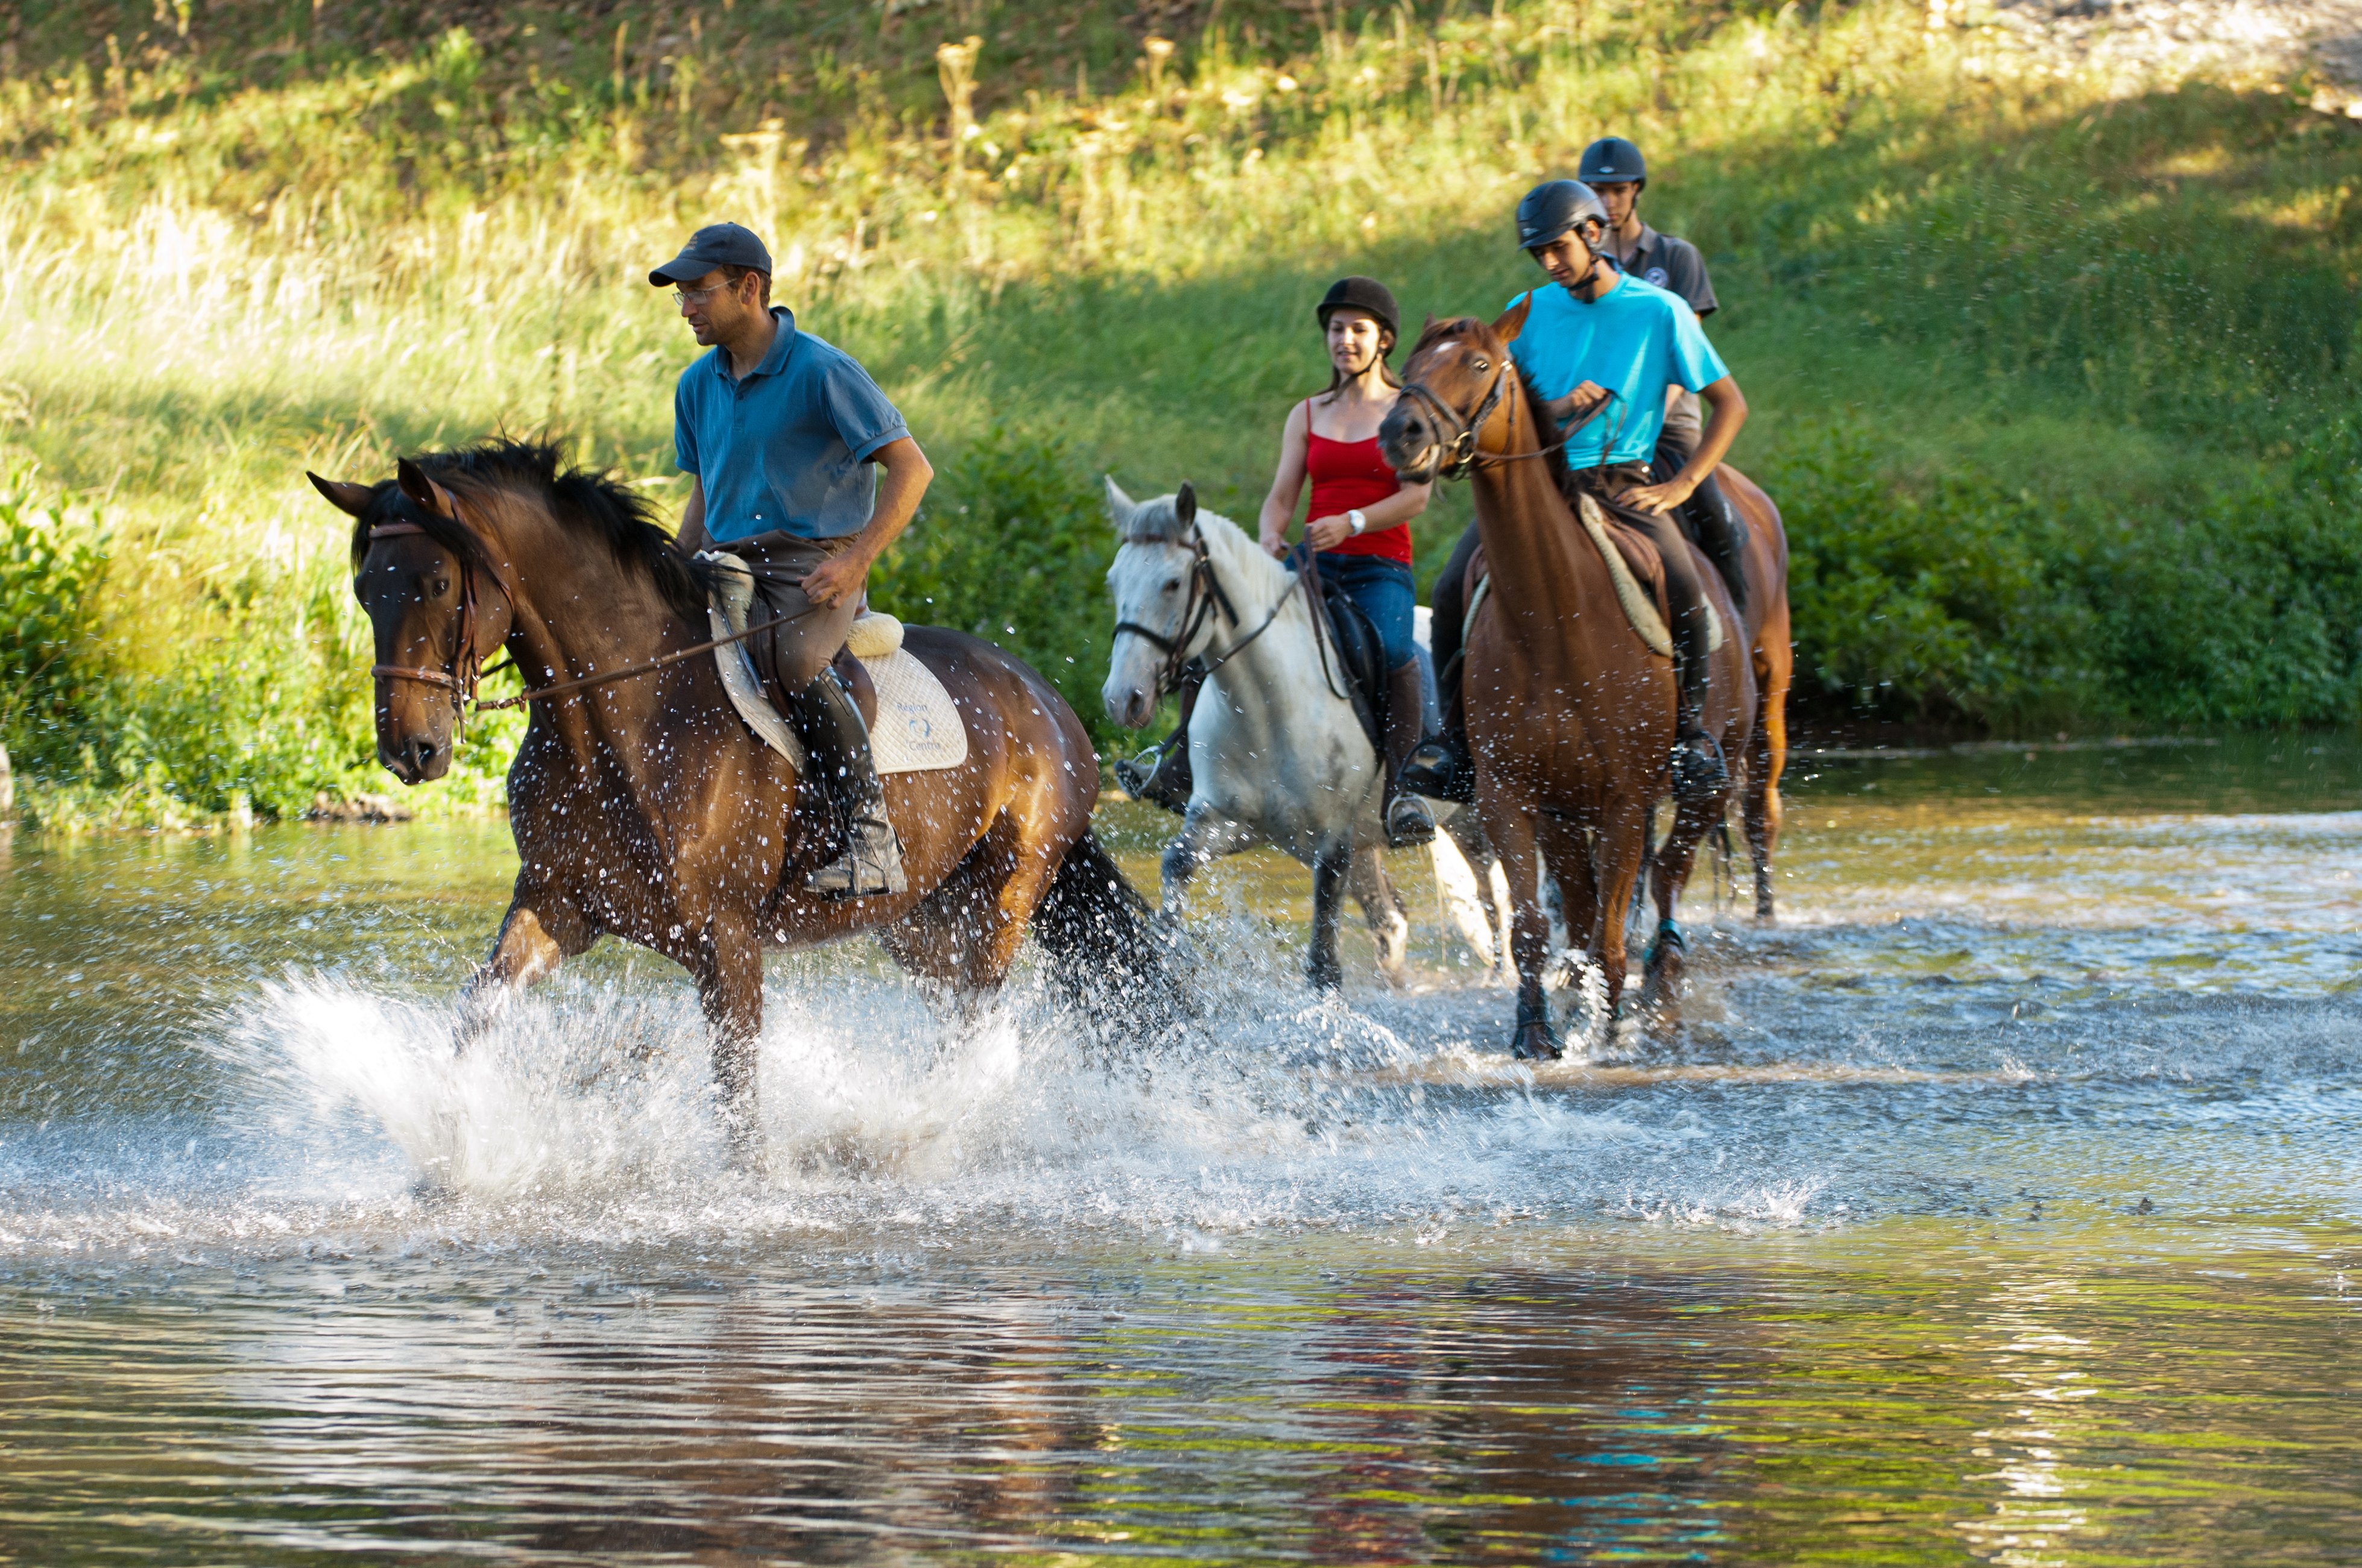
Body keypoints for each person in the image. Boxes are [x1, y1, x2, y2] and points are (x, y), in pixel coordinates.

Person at [1402, 179, 1749, 807]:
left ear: (1594, 233)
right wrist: (1560, 405)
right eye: (1538, 254)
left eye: (1557, 248)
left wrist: (1681, 485)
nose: (1549, 264)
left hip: (1622, 484)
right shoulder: (1527, 311)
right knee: (1452, 587)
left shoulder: (1658, 311)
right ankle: (1454, 745)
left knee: (1685, 587)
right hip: (1538, 487)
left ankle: (1691, 737)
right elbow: (1502, 402)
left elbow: (1729, 404)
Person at [654, 222, 935, 898]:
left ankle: (872, 843)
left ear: (748, 289)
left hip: (814, 566)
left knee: (798, 661)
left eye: (699, 291)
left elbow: (912, 469)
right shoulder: (696, 386)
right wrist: (667, 566)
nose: (686, 307)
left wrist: (856, 562)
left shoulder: (822, 370)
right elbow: (704, 490)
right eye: (681, 295)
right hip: (722, 562)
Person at [1117, 277, 1438, 848]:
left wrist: (1354, 522)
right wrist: (1269, 534)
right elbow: (1283, 496)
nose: (1345, 340)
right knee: (1212, 625)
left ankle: (1402, 792)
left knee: (1392, 650)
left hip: (1377, 566)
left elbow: (1416, 495)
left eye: (1358, 331)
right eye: (1337, 330)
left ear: (1384, 340)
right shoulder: (1307, 413)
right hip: (1310, 564)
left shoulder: (1404, 410)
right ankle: (1180, 767)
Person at [1578, 136, 1748, 612]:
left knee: (1714, 517)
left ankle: (1739, 622)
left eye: (1617, 191)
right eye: (1595, 192)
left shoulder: (1675, 258)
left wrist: (1641, 415)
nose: (1607, 202)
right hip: (1593, 427)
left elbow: (1684, 355)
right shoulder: (1578, 266)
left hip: (1666, 425)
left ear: (1636, 191)